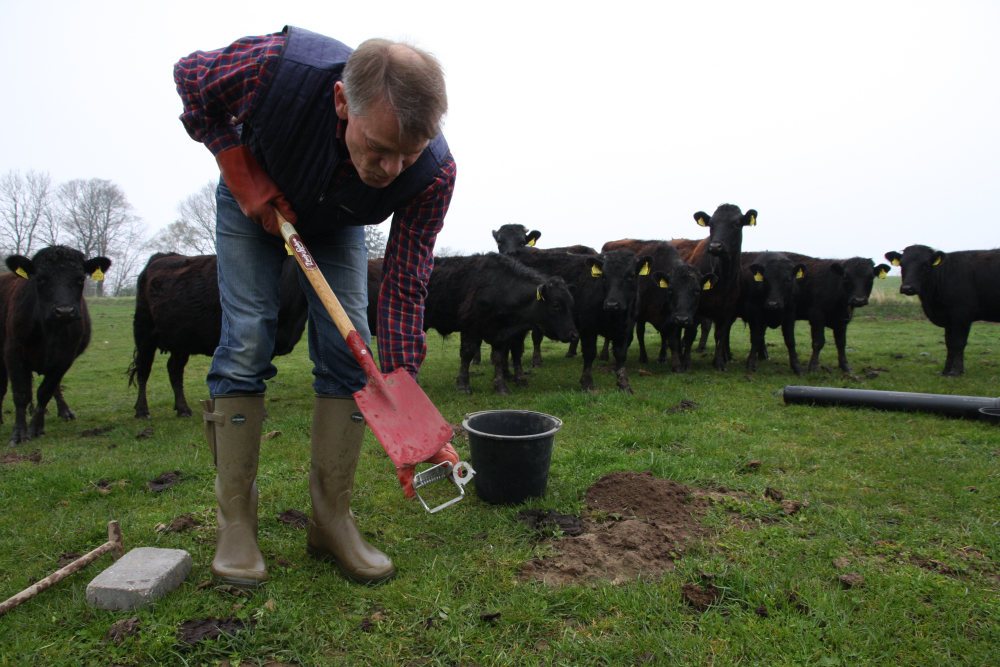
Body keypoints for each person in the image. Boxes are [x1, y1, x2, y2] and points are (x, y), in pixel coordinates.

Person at [173, 26, 459, 589]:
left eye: (409, 153)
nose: (391, 169)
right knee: (249, 337)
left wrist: (403, 394)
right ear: (340, 103)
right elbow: (191, 75)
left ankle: (331, 520)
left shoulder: (433, 176)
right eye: (377, 148)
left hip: (338, 223)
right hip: (255, 195)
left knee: (349, 354)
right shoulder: (276, 69)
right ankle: (237, 523)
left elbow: (404, 283)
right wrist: (237, 166)